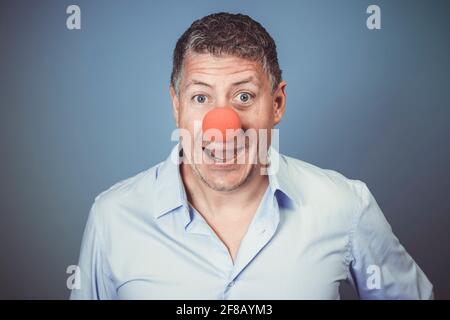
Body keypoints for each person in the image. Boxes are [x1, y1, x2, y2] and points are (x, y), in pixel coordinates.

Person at [70, 12, 433, 299]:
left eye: (244, 96)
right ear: (176, 105)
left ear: (277, 104)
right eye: (201, 98)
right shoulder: (113, 217)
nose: (222, 124)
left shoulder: (346, 206)